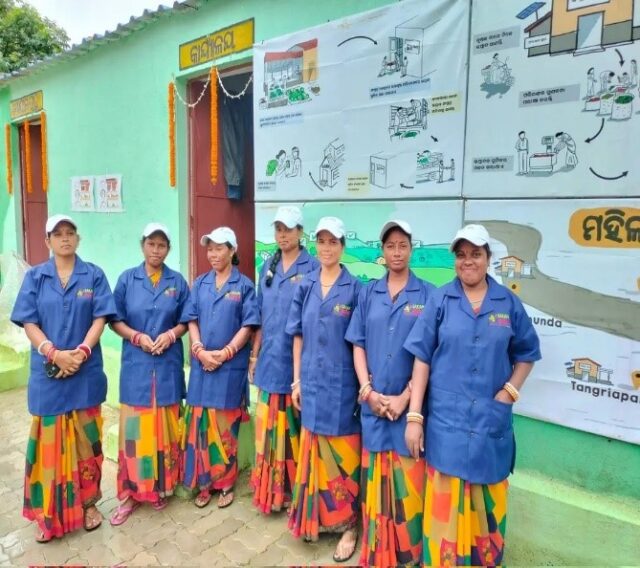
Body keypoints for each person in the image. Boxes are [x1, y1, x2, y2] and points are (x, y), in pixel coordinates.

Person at [404, 224, 541, 566]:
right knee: (443, 516)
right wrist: (415, 417)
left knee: (486, 515)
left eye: (476, 254)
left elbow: (527, 354)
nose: (468, 262)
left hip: (489, 429)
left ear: (488, 258)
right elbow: (422, 359)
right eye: (462, 255)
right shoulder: (440, 300)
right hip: (446, 427)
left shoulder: (507, 303)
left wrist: (509, 393)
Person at [11, 214, 116, 543]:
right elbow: (28, 322)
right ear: (47, 241)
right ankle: (49, 513)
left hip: (84, 374)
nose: (65, 238)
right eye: (58, 234)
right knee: (49, 447)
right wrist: (54, 353)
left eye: (70, 233)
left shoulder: (93, 275)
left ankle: (88, 505)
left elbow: (101, 318)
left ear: (78, 239)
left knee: (88, 443)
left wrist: (81, 352)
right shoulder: (35, 278)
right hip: (49, 374)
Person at [346, 220, 434, 567]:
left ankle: (407, 553)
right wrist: (367, 391)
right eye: (390, 246)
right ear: (382, 251)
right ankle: (378, 549)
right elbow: (358, 343)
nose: (396, 252)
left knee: (408, 485)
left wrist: (405, 398)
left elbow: (430, 354)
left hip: (407, 410)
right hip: (374, 407)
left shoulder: (428, 295)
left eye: (402, 245)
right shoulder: (369, 293)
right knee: (375, 485)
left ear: (411, 249)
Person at [286, 216, 362, 563]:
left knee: (343, 459)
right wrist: (297, 380)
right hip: (312, 385)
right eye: (322, 241)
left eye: (334, 242)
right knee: (314, 453)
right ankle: (315, 518)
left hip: (343, 388)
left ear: (343, 246)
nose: (327, 248)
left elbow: (361, 342)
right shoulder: (305, 284)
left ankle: (349, 525)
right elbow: (297, 335)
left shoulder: (356, 288)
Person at [108, 223, 189, 525]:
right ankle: (131, 495)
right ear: (143, 245)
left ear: (168, 249)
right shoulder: (127, 280)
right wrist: (136, 337)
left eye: (162, 245)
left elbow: (187, 319)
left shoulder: (177, 282)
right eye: (151, 244)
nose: (156, 251)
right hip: (137, 368)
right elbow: (114, 319)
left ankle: (160, 488)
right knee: (134, 434)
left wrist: (171, 335)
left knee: (165, 429)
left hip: (166, 366)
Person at [180, 226, 259, 509]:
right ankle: (204, 484)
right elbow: (191, 318)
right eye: (210, 248)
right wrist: (199, 349)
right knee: (201, 427)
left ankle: (225, 483)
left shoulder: (244, 286)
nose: (213, 254)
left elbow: (249, 325)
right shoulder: (200, 283)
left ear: (232, 250)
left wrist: (226, 353)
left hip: (229, 369)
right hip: (202, 368)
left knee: (226, 429)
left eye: (219, 248)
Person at [249, 206, 319, 514]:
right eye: (278, 228)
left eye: (289, 228)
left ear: (301, 232)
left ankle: (293, 492)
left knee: (294, 429)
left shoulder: (314, 267)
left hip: (299, 366)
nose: (282, 234)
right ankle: (270, 492)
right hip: (268, 361)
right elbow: (260, 318)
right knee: (267, 431)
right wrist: (253, 355)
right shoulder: (267, 265)